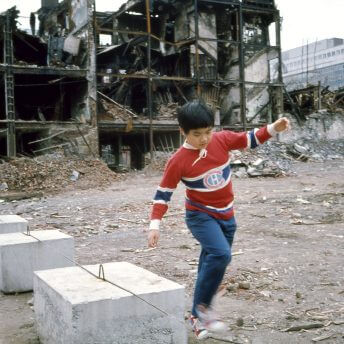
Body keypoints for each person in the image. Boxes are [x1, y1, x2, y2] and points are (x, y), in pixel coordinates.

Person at [147, 99, 290, 339]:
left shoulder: (221, 140)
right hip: (200, 215)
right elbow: (163, 195)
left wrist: (274, 127)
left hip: (227, 215)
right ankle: (202, 313)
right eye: (197, 134)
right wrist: (154, 225)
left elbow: (249, 138)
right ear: (182, 131)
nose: (204, 139)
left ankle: (199, 313)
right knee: (221, 255)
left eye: (207, 132)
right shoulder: (178, 161)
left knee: (211, 263)